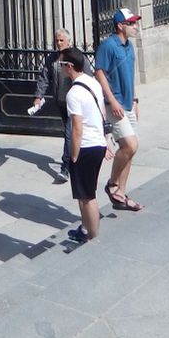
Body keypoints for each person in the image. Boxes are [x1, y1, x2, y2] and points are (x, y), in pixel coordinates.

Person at [95, 8, 144, 212]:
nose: (135, 27)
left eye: (135, 23)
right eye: (131, 23)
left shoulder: (129, 47)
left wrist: (134, 99)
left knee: (129, 151)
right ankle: (112, 183)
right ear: (120, 26)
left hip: (128, 103)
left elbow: (130, 75)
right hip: (115, 106)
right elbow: (100, 72)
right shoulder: (108, 46)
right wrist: (111, 101)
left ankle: (120, 194)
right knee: (131, 145)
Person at [31, 28, 93, 182]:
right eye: (57, 40)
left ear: (69, 41)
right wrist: (38, 97)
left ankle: (66, 167)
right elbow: (44, 77)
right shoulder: (52, 58)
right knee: (72, 134)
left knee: (68, 133)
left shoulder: (77, 57)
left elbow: (88, 78)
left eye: (61, 40)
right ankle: (78, 158)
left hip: (75, 103)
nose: (58, 43)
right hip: (60, 102)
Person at [60, 47, 107, 244]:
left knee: (88, 196)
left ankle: (93, 237)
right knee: (84, 193)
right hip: (98, 143)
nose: (60, 68)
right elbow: (101, 112)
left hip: (85, 147)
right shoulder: (93, 83)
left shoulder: (73, 94)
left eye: (62, 64)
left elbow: (76, 128)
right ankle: (85, 229)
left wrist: (74, 154)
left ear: (70, 67)